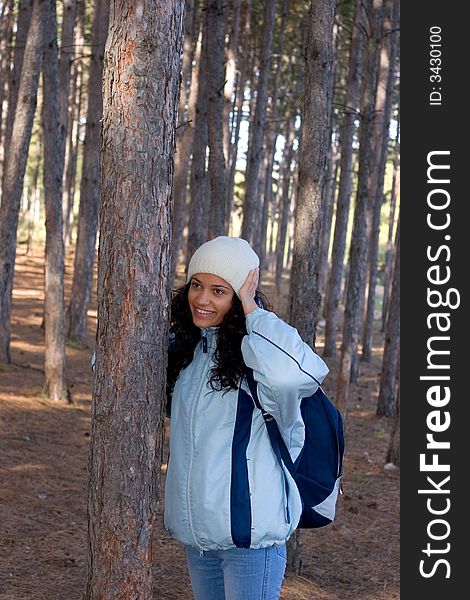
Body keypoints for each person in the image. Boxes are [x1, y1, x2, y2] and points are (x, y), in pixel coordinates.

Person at [165, 236, 329, 600]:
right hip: (199, 538)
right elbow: (113, 372)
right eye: (196, 285)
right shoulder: (186, 354)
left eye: (219, 290)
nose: (203, 299)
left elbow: (299, 375)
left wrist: (254, 311)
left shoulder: (258, 359)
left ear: (238, 298)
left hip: (251, 539)